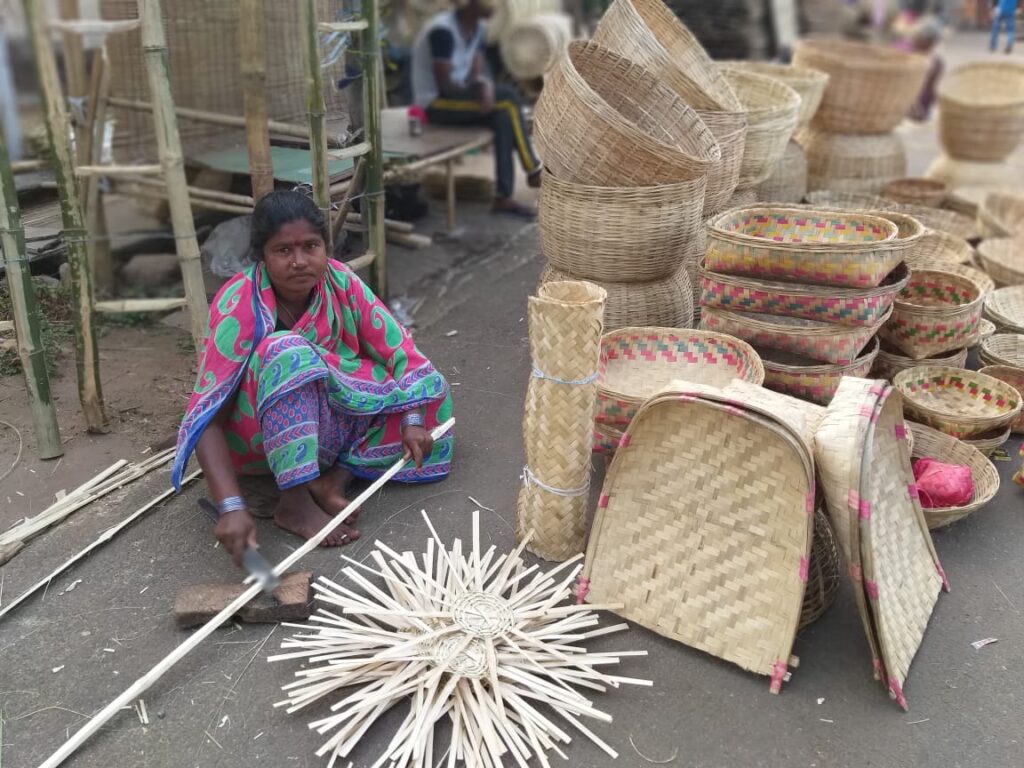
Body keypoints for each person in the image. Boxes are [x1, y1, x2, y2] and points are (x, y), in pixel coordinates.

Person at [171, 191, 454, 566]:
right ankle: (295, 502)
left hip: (328, 421)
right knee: (285, 352)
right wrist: (229, 505)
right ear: (262, 255)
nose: (300, 261)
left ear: (326, 246)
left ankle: (332, 479)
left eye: (311, 246)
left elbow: (401, 353)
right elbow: (206, 416)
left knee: (432, 394)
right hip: (258, 437)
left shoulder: (341, 281)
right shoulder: (239, 304)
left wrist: (413, 420)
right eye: (283, 251)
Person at [411, 0, 542, 218]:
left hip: (459, 96)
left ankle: (503, 196)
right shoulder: (442, 31)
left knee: (502, 115)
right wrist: (479, 92)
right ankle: (533, 169)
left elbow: (474, 74)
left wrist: (483, 84)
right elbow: (445, 86)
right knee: (508, 98)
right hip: (436, 103)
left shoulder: (478, 29)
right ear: (471, 5)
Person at [905, 15, 945, 122]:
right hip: (907, 106)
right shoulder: (906, 56)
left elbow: (932, 91)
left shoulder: (936, 63)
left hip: (919, 109)